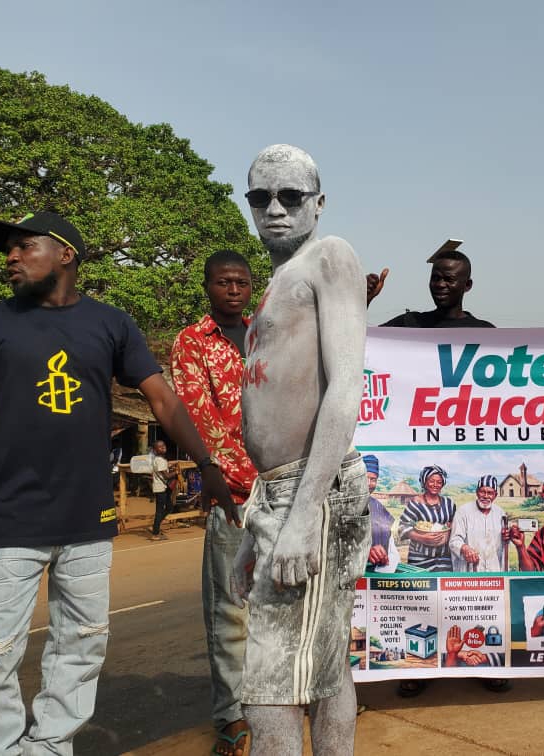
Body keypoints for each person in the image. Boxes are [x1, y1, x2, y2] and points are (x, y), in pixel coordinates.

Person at [0, 210, 236, 754]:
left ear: (65, 254)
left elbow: (162, 399)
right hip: (10, 520)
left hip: (88, 522)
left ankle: (52, 747)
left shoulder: (112, 323)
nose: (11, 256)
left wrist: (209, 466)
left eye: (24, 246)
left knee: (80, 650)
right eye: (9, 249)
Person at [230, 145, 369, 756]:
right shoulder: (280, 279)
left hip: (310, 489)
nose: (276, 209)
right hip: (283, 491)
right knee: (323, 667)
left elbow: (345, 387)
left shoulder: (329, 256)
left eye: (291, 196)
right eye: (261, 197)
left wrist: (305, 510)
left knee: (270, 687)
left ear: (319, 202)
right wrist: (254, 530)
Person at [171, 249, 258, 756]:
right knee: (231, 612)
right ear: (207, 286)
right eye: (223, 282)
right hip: (233, 495)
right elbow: (196, 415)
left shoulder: (267, 334)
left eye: (241, 282)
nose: (232, 289)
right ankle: (232, 716)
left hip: (282, 490)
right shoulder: (191, 342)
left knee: (286, 605)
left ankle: (284, 697)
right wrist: (217, 477)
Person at [369, 249, 495, 328]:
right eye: (435, 278)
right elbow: (364, 342)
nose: (440, 284)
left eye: (448, 279)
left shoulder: (485, 333)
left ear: (467, 285)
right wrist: (363, 300)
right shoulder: (409, 323)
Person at [398, 465, 456, 571]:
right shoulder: (415, 503)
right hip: (419, 558)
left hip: (444, 557)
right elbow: (402, 527)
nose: (435, 485)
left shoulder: (449, 503)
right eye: (431, 481)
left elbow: (455, 524)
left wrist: (449, 531)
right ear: (424, 482)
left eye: (439, 482)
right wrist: (422, 538)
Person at [449, 475, 509, 572]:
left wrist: (507, 536)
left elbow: (503, 542)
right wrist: (464, 548)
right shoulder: (463, 511)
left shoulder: (500, 513)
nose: (485, 496)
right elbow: (454, 540)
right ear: (477, 492)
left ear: (495, 495)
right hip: (470, 570)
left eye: (490, 493)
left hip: (494, 570)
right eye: (482, 492)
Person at [362, 454, 399, 572]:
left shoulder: (378, 507)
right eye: (364, 478)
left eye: (373, 479)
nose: (368, 483)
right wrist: (365, 551)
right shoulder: (344, 505)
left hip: (377, 571)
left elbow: (390, 543)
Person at [148, 439, 177, 540]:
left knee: (169, 507)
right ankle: (155, 533)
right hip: (160, 488)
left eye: (163, 445)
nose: (163, 447)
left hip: (164, 488)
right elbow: (166, 476)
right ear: (155, 450)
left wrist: (171, 466)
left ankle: (155, 526)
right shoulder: (159, 460)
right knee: (160, 511)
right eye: (160, 447)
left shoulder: (160, 459)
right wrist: (177, 473)